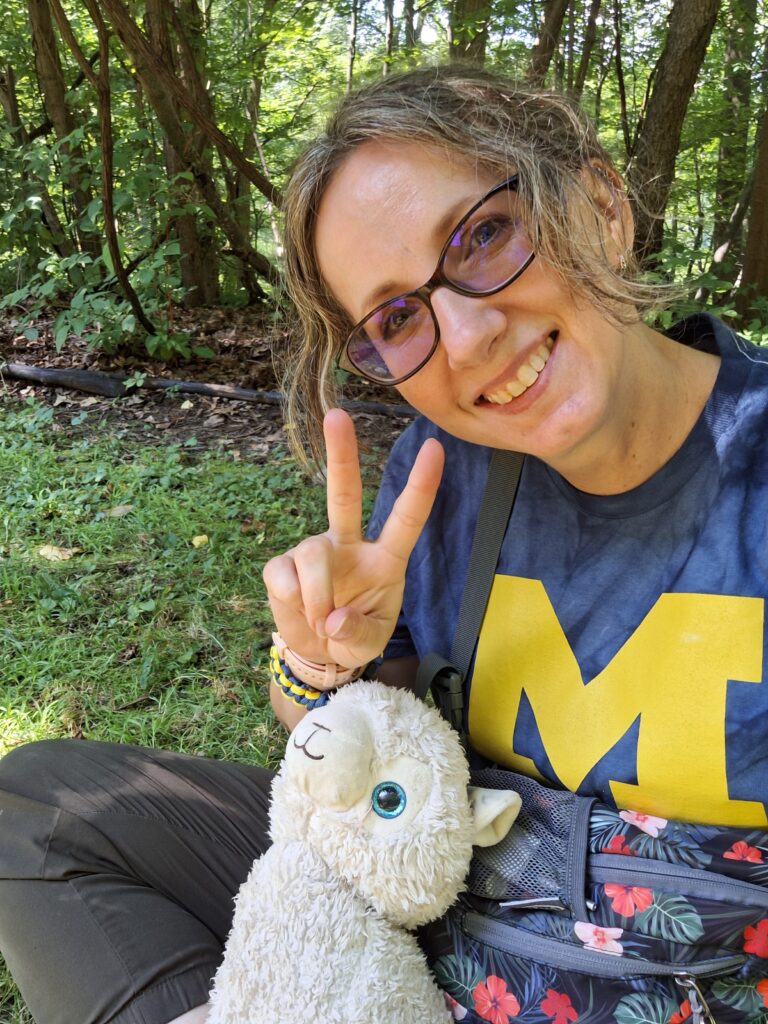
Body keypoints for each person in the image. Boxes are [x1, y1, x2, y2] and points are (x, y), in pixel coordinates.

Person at [0, 64, 766, 1024]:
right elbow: (349, 739)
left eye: (485, 235)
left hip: (674, 975)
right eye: (399, 317)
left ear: (603, 204)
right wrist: (324, 666)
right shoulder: (445, 477)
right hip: (443, 903)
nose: (470, 335)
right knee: (44, 808)